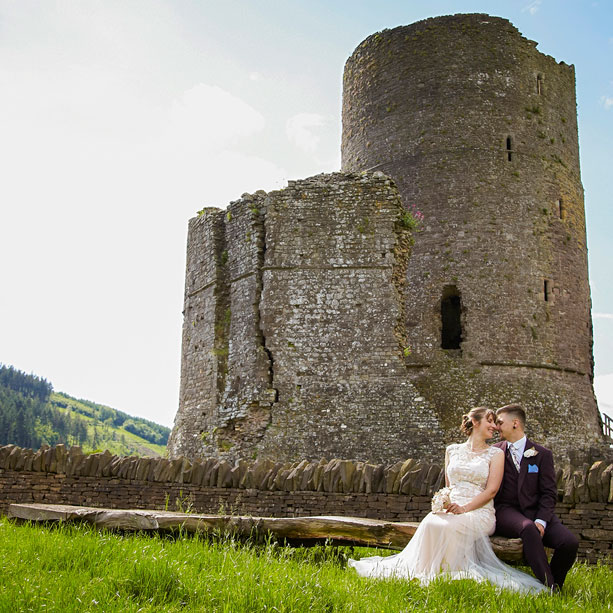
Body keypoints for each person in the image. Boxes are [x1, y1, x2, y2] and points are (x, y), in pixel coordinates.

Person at [348, 407, 546, 593]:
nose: (494, 427)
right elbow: (449, 485)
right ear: (475, 422)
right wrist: (444, 502)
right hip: (453, 507)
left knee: (448, 527)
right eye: (490, 421)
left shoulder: (496, 453)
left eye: (496, 423)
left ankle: (448, 575)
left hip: (479, 511)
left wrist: (465, 508)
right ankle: (423, 572)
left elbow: (492, 491)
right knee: (431, 523)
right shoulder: (452, 450)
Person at [494, 404, 578, 591]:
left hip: (536, 512)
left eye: (500, 422)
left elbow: (549, 493)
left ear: (515, 423)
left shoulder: (542, 454)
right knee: (528, 528)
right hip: (506, 511)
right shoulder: (494, 452)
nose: (496, 427)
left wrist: (542, 520)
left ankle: (552, 581)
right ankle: (550, 589)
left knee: (569, 542)